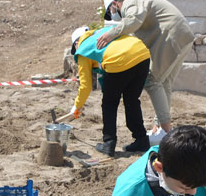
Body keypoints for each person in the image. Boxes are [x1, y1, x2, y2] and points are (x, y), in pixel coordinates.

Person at [95, 0, 195, 140]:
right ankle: (160, 128)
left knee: (152, 81)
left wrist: (111, 34)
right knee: (164, 82)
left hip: (172, 35)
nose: (113, 16)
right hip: (183, 36)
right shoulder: (138, 7)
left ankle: (168, 133)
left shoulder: (131, 4)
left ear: (115, 4)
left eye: (111, 11)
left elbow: (133, 21)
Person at [58, 24, 152, 155]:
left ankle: (109, 143)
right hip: (142, 54)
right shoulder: (102, 31)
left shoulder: (83, 49)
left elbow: (85, 86)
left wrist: (76, 106)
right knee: (132, 100)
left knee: (109, 103)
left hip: (119, 61)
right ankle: (141, 139)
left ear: (76, 43)